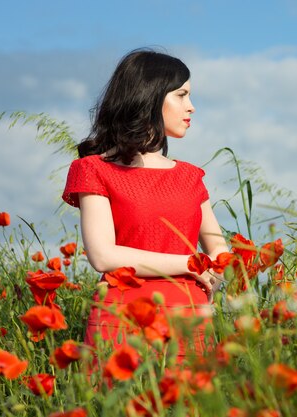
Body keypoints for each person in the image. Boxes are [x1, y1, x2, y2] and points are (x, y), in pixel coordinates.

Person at [62, 48, 229, 357]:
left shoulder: (190, 176)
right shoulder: (94, 169)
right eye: (181, 95)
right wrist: (190, 264)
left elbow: (219, 249)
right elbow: (103, 256)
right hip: (122, 318)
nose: (191, 107)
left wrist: (212, 278)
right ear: (149, 95)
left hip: (189, 317)